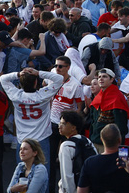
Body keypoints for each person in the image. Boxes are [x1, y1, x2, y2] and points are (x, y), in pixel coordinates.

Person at [1, 67, 64, 172]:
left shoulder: (16, 95)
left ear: (21, 83)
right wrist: (39, 73)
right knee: (43, 174)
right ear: (36, 82)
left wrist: (18, 74)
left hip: (23, 140)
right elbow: (59, 78)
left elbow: (3, 78)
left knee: (23, 174)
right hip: (41, 138)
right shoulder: (43, 95)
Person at [77, 95, 129, 193]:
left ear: (101, 139)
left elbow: (81, 191)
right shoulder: (127, 158)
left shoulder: (90, 163)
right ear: (119, 139)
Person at [50, 56, 85, 193]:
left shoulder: (75, 85)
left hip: (67, 126)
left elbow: (79, 108)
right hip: (53, 123)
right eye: (56, 65)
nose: (57, 68)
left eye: (60, 66)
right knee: (51, 160)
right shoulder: (52, 76)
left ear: (68, 67)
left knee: (69, 160)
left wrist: (69, 120)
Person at [88, 68, 129, 150]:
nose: (101, 79)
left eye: (104, 76)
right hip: (95, 141)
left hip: (109, 145)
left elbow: (121, 127)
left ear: (112, 79)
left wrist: (120, 147)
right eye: (99, 77)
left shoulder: (117, 98)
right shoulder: (97, 98)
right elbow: (93, 122)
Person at [57, 110, 97, 193]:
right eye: (60, 123)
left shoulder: (66, 146)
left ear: (73, 127)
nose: (59, 126)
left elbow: (67, 175)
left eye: (63, 124)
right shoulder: (87, 141)